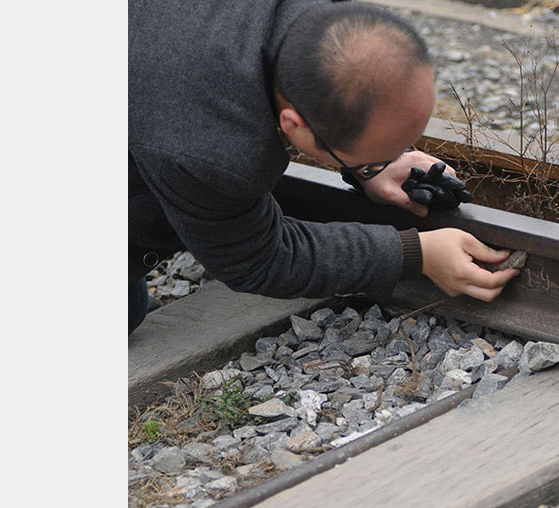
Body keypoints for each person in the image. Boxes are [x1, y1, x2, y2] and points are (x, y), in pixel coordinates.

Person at [129, 0, 520, 335]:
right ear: (293, 126)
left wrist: (372, 163)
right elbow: (259, 259)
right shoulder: (213, 149)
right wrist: (415, 254)